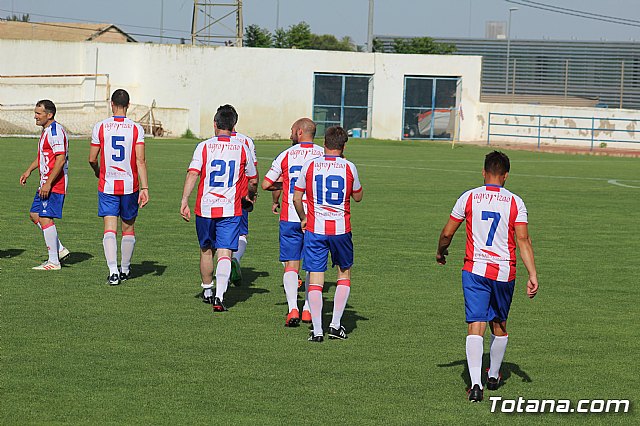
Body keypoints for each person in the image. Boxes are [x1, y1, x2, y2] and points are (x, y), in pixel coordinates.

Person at [436, 151, 538, 403]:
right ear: (506, 176)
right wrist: (533, 274)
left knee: (475, 325)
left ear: (483, 173)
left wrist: (441, 250)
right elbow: (522, 239)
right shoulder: (516, 202)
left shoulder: (468, 197)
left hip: (475, 270)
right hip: (505, 271)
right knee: (499, 324)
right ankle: (493, 375)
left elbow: (448, 233)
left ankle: (476, 385)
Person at [180, 107, 258, 312]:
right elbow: (253, 178)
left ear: (215, 124)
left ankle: (207, 290)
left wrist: (184, 200)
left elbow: (192, 174)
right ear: (234, 126)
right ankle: (220, 296)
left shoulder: (203, 146)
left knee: (206, 250)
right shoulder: (242, 147)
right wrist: (251, 194)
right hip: (230, 208)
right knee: (225, 252)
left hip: (205, 207)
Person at [293, 126, 363, 342]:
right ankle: (335, 325)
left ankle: (317, 330)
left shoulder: (311, 165)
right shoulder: (349, 167)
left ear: (324, 144)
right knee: (343, 274)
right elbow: (358, 197)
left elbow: (297, 197)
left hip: (316, 229)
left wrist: (303, 217)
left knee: (315, 279)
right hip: (341, 230)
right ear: (343, 146)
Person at [262, 118, 324, 327]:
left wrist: (287, 183)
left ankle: (292, 309)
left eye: (291, 130)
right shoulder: (323, 154)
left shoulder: (286, 154)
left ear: (299, 132)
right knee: (312, 265)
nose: (290, 133)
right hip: (316, 217)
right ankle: (307, 309)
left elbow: (266, 183)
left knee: (291, 264)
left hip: (290, 216)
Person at [89, 89, 149, 285]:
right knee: (128, 227)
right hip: (130, 186)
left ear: (111, 104)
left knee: (109, 228)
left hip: (107, 185)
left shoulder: (100, 127)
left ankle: (113, 272)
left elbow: (91, 158)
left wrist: (98, 171)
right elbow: (140, 160)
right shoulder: (136, 129)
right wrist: (145, 188)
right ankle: (125, 269)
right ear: (128, 105)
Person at [19, 99, 70, 270]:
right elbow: (43, 157)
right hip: (45, 182)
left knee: (45, 217)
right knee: (35, 214)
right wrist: (29, 171)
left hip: (55, 183)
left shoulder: (55, 132)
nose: (35, 117)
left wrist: (48, 183)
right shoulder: (46, 130)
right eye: (35, 113)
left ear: (50, 115)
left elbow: (60, 159)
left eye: (38, 113)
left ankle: (53, 261)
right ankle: (60, 249)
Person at [223, 105, 258, 286]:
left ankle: (223, 272)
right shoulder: (246, 141)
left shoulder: (215, 141)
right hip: (242, 194)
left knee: (221, 237)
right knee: (242, 234)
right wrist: (253, 193)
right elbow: (253, 171)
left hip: (219, 195)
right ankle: (235, 259)